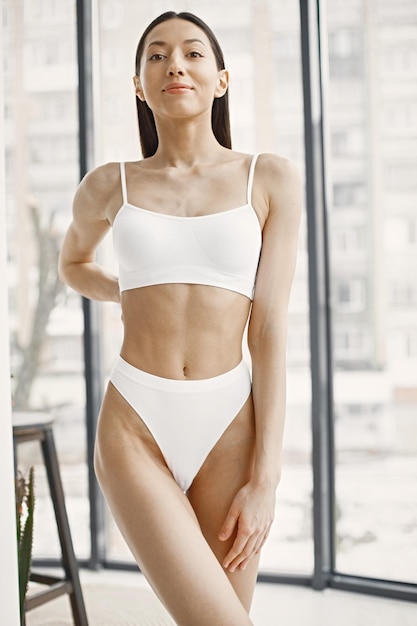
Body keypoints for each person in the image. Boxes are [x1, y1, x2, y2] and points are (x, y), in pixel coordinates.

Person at [58, 10, 301, 626]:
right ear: (139, 85)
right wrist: (128, 293)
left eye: (193, 53)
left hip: (231, 426)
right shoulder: (109, 185)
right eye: (157, 55)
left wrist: (266, 477)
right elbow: (73, 265)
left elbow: (269, 328)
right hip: (136, 422)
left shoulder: (268, 178)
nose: (175, 64)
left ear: (221, 79)